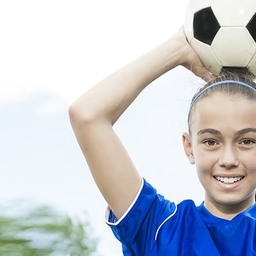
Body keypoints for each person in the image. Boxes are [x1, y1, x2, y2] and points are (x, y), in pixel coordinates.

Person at [68, 28, 256, 255]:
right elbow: (87, 115)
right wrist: (177, 49)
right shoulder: (157, 228)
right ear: (189, 147)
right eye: (211, 142)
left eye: (246, 141)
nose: (228, 160)